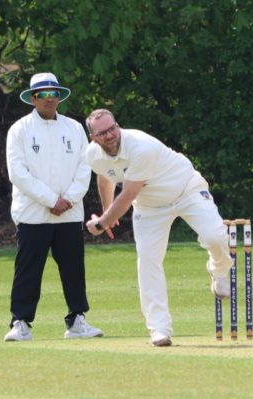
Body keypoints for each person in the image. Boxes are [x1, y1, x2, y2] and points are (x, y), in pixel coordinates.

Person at [83, 109, 232, 347]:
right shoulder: (93, 154)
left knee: (215, 236)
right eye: (103, 132)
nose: (110, 135)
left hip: (186, 189)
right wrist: (107, 212)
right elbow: (105, 177)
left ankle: (219, 269)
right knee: (148, 260)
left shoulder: (140, 146)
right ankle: (159, 329)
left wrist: (101, 224)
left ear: (118, 126)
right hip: (150, 207)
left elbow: (128, 193)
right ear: (93, 138)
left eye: (113, 128)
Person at [3, 72, 103, 342]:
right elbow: (18, 173)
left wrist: (68, 199)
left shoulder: (73, 128)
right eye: (42, 94)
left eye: (53, 93)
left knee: (73, 269)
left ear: (59, 96)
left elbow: (86, 167)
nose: (49, 99)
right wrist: (51, 200)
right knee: (28, 270)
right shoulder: (20, 129)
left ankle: (77, 320)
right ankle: (20, 322)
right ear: (32, 98)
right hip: (33, 213)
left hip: (69, 213)